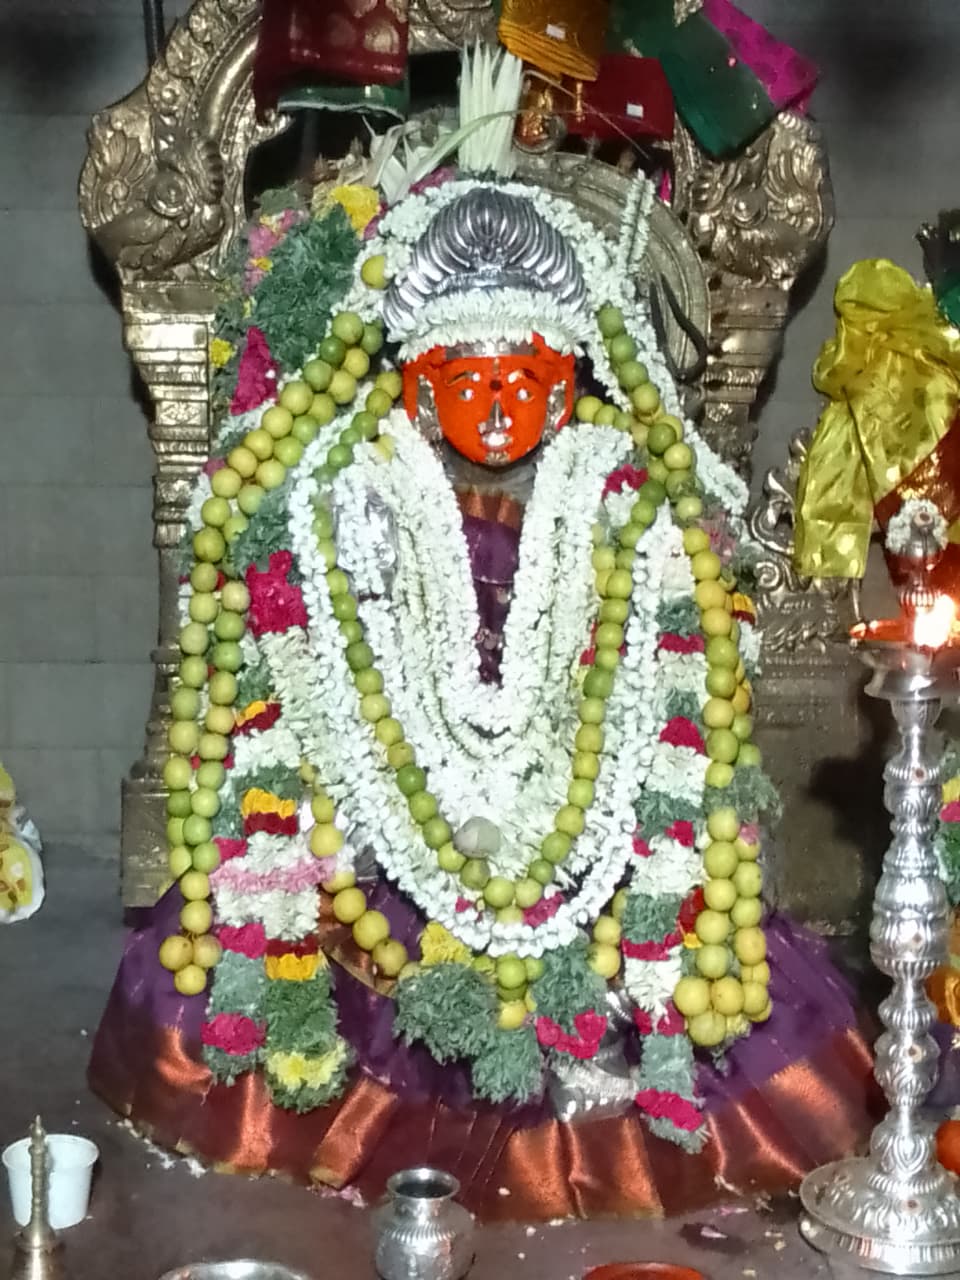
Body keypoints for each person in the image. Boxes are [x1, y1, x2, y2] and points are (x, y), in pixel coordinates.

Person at [90, 48, 875, 1219]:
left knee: (688, 907)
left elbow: (669, 693)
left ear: (568, 386)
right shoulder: (347, 490)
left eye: (526, 375)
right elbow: (316, 683)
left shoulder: (622, 495)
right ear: (415, 386)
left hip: (590, 844)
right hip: (389, 844)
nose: (500, 401)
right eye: (468, 375)